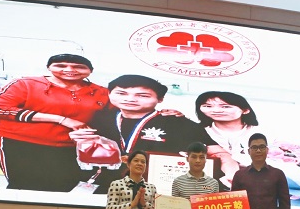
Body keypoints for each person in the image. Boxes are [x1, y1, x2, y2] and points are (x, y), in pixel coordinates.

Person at [69, 75, 239, 192]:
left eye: (142, 95)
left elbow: (220, 153)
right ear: (109, 94)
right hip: (107, 187)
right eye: (121, 93)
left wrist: (232, 176)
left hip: (156, 191)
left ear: (160, 99)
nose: (130, 99)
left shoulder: (178, 122)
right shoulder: (99, 118)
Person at [0, 54, 109, 192]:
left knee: (63, 187)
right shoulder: (25, 84)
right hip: (20, 144)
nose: (69, 70)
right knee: (24, 186)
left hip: (71, 148)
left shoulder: (102, 92)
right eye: (60, 66)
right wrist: (61, 119)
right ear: (48, 68)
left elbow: (114, 118)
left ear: (91, 70)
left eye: (79, 67)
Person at [195, 91, 261, 167]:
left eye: (226, 106)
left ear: (245, 110)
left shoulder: (261, 132)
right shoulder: (198, 132)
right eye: (208, 106)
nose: (216, 111)